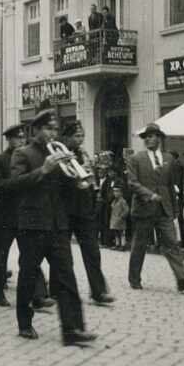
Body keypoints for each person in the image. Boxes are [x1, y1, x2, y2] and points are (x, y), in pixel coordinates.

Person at [9, 110, 95, 345]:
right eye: (48, 129)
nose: (52, 134)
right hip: (33, 226)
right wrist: (43, 170)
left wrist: (78, 178)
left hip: (57, 225)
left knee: (67, 277)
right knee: (28, 276)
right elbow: (15, 185)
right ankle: (25, 323)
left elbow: (65, 189)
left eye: (55, 129)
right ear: (35, 130)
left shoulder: (59, 154)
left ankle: (73, 329)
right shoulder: (21, 154)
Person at [126, 123, 184, 292]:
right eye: (147, 137)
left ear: (160, 138)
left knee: (172, 243)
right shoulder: (136, 159)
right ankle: (134, 278)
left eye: (153, 136)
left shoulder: (169, 159)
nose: (149, 139)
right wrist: (149, 195)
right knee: (140, 245)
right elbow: (132, 183)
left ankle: (182, 279)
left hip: (164, 209)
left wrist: (174, 209)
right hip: (144, 207)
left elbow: (171, 185)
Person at [0, 124, 51, 308]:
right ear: (9, 139)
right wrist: (17, 184)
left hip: (24, 215)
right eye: (17, 138)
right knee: (1, 256)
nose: (21, 141)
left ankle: (38, 295)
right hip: (4, 216)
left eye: (23, 137)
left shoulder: (28, 158)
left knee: (31, 256)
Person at [58, 121, 114, 305]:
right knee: (62, 254)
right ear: (66, 137)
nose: (80, 140)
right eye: (76, 136)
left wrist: (91, 177)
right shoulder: (61, 154)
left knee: (92, 251)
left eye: (82, 136)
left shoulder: (83, 153)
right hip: (66, 210)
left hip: (84, 210)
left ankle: (98, 291)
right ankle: (55, 290)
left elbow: (89, 181)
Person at [110, 186, 129, 250]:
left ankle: (123, 245)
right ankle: (117, 244)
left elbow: (126, 210)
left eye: (117, 191)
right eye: (114, 192)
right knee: (116, 233)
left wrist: (122, 216)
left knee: (122, 233)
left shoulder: (123, 201)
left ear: (121, 193)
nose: (115, 193)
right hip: (115, 220)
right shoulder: (114, 201)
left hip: (120, 220)